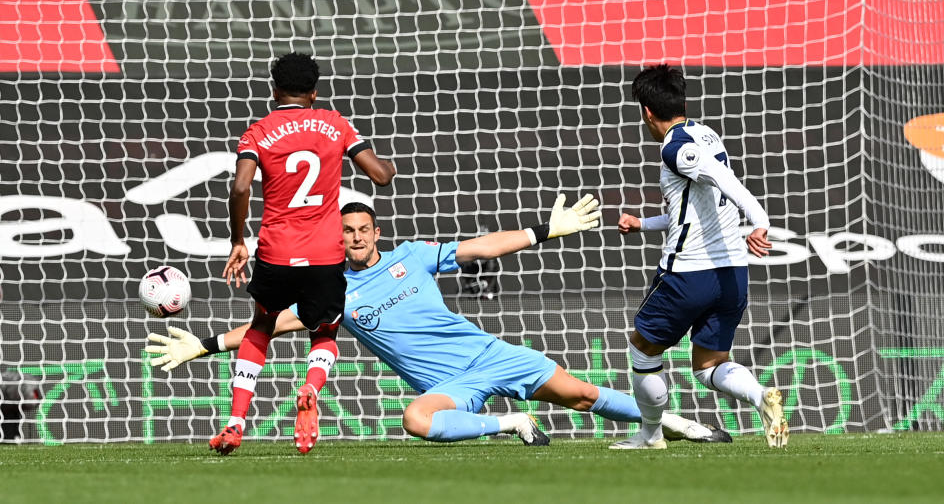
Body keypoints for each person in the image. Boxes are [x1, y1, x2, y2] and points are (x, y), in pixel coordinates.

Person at [148, 200, 732, 446]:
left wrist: (544, 231)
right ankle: (511, 424)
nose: (352, 239)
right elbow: (269, 328)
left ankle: (680, 425)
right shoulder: (334, 292)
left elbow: (481, 249)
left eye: (361, 231)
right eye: (344, 233)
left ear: (375, 233)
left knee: (580, 395)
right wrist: (201, 346)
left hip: (490, 354)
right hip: (449, 387)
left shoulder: (413, 255)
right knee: (415, 420)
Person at [210, 52, 395, 455]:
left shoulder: (257, 132)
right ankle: (310, 388)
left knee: (261, 326)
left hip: (277, 249)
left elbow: (240, 188)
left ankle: (235, 423)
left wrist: (238, 239)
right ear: (315, 91)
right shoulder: (335, 124)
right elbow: (380, 175)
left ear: (274, 89)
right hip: (326, 253)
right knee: (324, 330)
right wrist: (388, 167)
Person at [612, 64, 787, 450]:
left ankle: (651, 435)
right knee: (708, 364)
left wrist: (760, 219)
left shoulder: (676, 147)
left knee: (642, 347)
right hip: (731, 273)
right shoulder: (706, 133)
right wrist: (642, 224)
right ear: (683, 102)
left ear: (647, 112)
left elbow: (726, 182)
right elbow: (694, 207)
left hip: (690, 272)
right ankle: (761, 398)